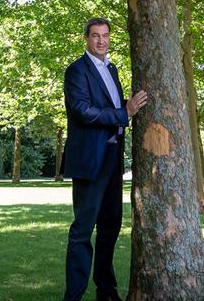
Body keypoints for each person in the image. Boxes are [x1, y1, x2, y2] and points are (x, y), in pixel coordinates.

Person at [62, 17, 148, 301]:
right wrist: (125, 113)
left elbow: (113, 108)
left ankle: (106, 291)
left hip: (112, 161)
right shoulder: (76, 71)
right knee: (82, 231)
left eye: (106, 35)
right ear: (86, 38)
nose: (102, 40)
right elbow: (82, 111)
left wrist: (123, 111)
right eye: (96, 35)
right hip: (90, 162)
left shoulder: (112, 69)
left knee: (110, 227)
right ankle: (73, 295)